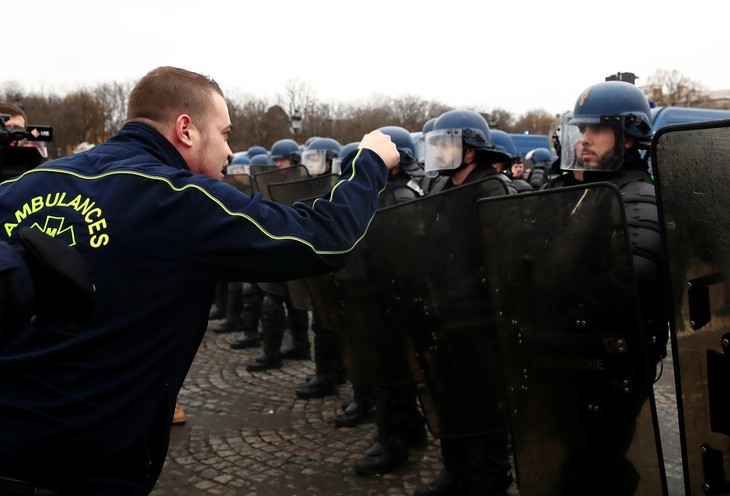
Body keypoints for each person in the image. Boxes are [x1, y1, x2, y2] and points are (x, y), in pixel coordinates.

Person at [0, 66, 399, 495]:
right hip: (83, 472)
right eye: (225, 133)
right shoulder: (181, 198)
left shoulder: (21, 185)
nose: (230, 151)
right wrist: (371, 162)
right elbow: (325, 238)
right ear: (186, 130)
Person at [542, 80, 668, 494]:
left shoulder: (639, 194)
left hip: (616, 362)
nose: (584, 140)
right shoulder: (587, 189)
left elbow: (634, 274)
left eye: (596, 129)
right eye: (581, 130)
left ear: (629, 137)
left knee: (600, 458)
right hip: (575, 351)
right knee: (576, 452)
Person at [415, 109, 515, 496]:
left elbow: (499, 258)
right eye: (435, 143)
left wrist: (459, 291)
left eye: (445, 142)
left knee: (486, 408)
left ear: (470, 151)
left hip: (479, 321)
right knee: (450, 398)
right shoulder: (440, 186)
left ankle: (490, 483)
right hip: (442, 316)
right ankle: (455, 474)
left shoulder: (492, 188)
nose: (438, 150)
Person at [351, 126, 427, 476]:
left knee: (391, 373)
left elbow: (403, 257)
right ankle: (409, 430)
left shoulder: (400, 197)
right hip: (388, 297)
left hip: (395, 299)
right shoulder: (390, 191)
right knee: (397, 373)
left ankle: (392, 443)